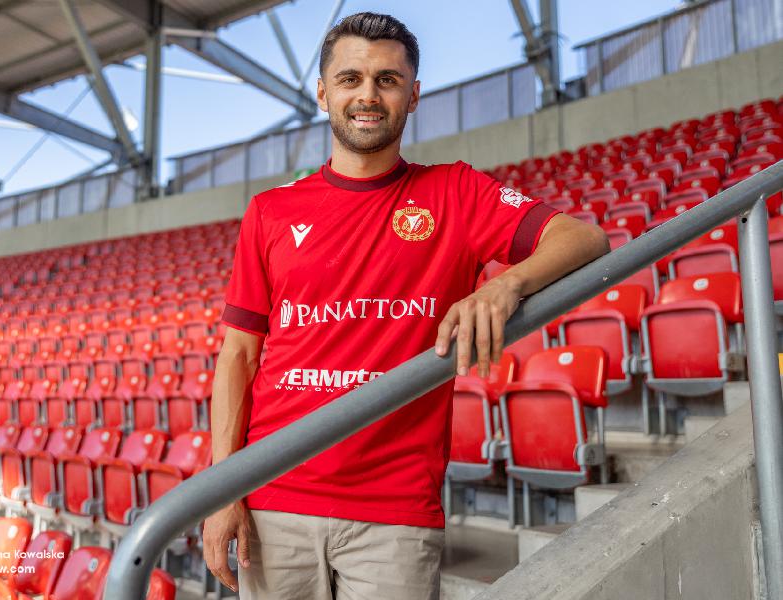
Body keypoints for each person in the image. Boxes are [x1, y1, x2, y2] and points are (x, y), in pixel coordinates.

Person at [203, 11, 610, 600]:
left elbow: (584, 239)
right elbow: (239, 355)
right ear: (323, 93)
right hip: (274, 496)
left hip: (393, 509)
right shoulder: (270, 211)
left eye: (387, 80)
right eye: (350, 79)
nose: (368, 95)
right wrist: (224, 490)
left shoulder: (456, 191)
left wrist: (505, 285)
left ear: (413, 96)